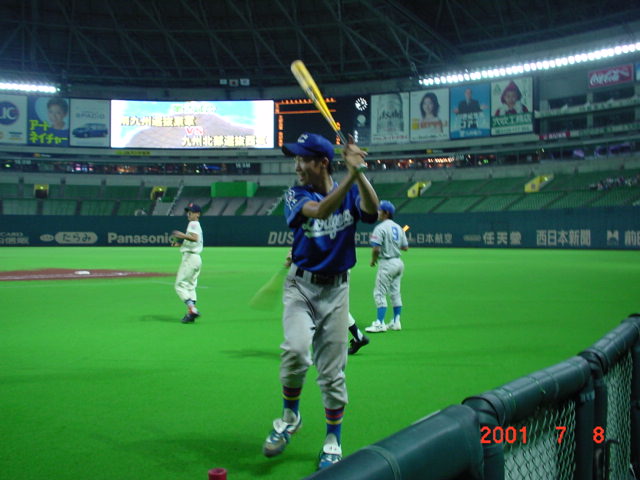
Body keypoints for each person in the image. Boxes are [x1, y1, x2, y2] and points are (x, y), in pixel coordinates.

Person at [262, 132, 379, 470]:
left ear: (322, 163)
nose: (297, 166)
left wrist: (358, 172)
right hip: (301, 287)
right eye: (296, 159)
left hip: (337, 291)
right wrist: (351, 175)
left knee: (332, 372)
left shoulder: (350, 189)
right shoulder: (296, 194)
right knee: (296, 351)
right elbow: (321, 210)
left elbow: (372, 209)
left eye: (304, 159)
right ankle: (290, 417)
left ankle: (332, 440)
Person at [365, 201, 409, 333]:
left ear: (386, 213)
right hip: (398, 263)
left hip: (387, 263)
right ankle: (396, 321)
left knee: (379, 293)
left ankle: (380, 323)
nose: (378, 212)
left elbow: (376, 249)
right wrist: (394, 243)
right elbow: (405, 247)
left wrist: (373, 261)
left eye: (380, 210)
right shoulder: (399, 228)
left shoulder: (380, 228)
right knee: (395, 293)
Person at [171, 202, 203, 323]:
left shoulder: (193, 223)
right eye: (188, 212)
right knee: (190, 286)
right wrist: (180, 244)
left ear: (198, 214)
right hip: (196, 259)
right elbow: (195, 242)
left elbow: (194, 238)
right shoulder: (197, 225)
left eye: (192, 212)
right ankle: (191, 314)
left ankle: (192, 309)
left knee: (179, 285)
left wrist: (181, 235)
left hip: (190, 259)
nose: (189, 214)